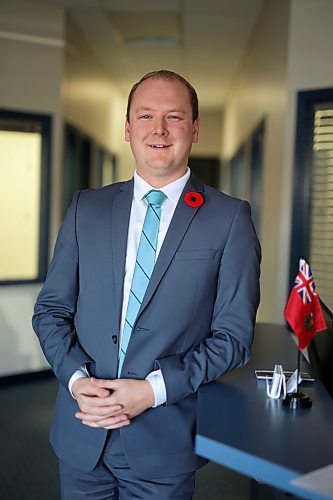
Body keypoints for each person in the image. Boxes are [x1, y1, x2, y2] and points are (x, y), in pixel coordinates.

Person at [32, 69, 261, 499]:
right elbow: (51, 311)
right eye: (145, 116)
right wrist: (78, 381)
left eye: (174, 117)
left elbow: (234, 338)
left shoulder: (230, 219)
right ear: (127, 128)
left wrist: (152, 391)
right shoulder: (87, 208)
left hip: (164, 439)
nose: (159, 130)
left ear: (194, 129)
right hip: (84, 429)